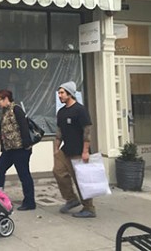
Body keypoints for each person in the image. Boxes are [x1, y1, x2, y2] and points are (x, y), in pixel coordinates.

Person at [53, 81, 96, 218]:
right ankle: (71, 199)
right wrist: (56, 148)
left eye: (62, 93)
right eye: (59, 93)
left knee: (81, 179)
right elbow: (59, 131)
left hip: (78, 151)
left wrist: (85, 151)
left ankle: (89, 208)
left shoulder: (80, 110)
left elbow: (87, 131)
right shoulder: (61, 112)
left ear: (70, 94)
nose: (59, 95)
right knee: (58, 171)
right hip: (65, 150)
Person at [0, 89, 36, 211]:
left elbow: (24, 126)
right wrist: (3, 147)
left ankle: (29, 202)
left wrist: (26, 145)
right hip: (9, 149)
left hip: (20, 149)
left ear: (6, 98)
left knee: (24, 174)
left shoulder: (16, 109)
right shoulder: (5, 111)